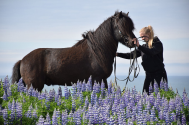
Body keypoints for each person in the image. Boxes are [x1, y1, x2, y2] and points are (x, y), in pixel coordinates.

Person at [116, 25, 168, 95]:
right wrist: (117, 54)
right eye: (141, 37)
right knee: (145, 97)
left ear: (148, 34)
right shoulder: (143, 47)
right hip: (149, 76)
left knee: (161, 97)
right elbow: (131, 55)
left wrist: (139, 46)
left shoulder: (157, 44)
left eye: (143, 36)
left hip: (159, 75)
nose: (142, 39)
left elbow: (151, 52)